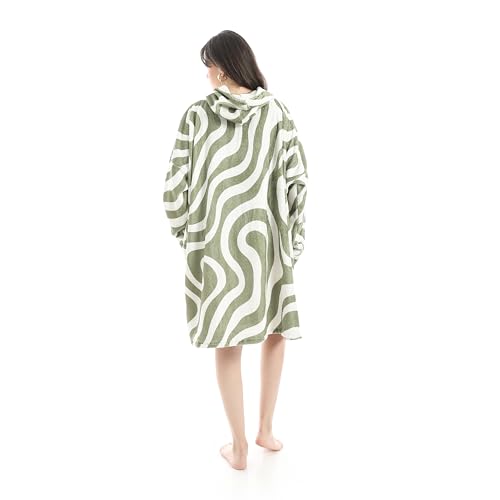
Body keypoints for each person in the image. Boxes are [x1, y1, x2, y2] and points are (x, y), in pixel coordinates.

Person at [163, 30, 308, 470]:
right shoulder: (276, 112)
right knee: (275, 329)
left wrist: (190, 236)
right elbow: (297, 181)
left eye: (208, 65)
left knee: (227, 339)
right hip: (267, 242)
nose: (207, 74)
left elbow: (174, 187)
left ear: (222, 68)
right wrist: (293, 240)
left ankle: (240, 447)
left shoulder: (196, 115)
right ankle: (265, 429)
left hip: (216, 244)